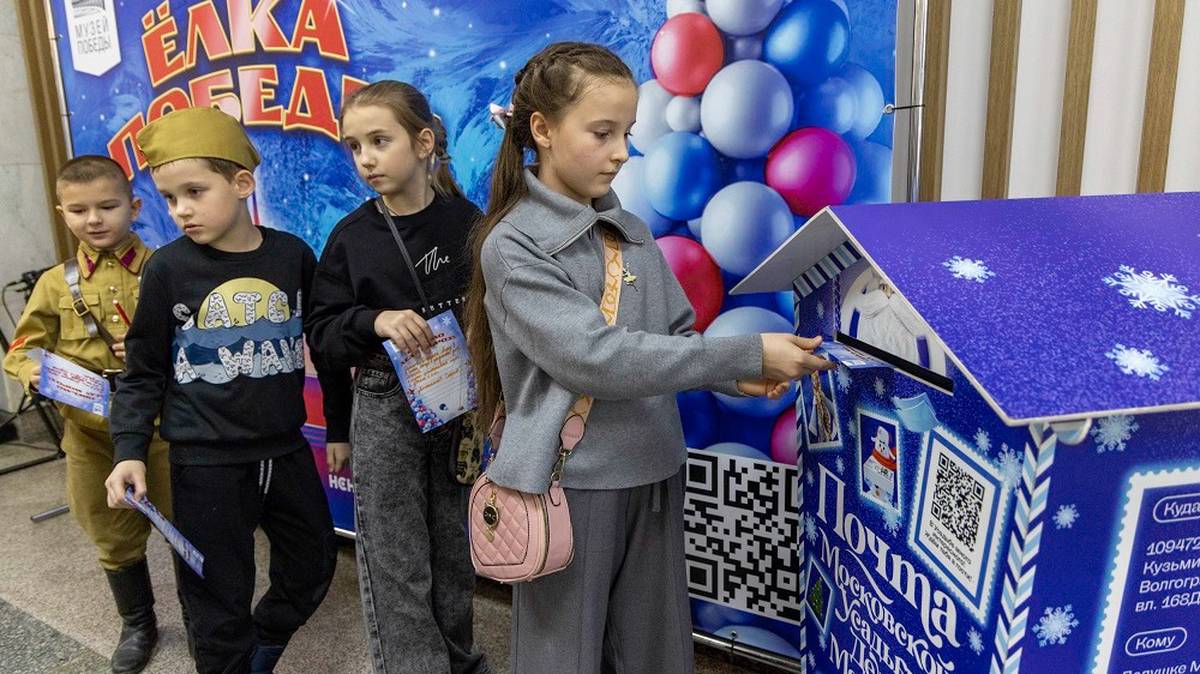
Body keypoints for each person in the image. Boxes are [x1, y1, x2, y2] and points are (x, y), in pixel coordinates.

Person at [464, 41, 834, 673]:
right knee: (561, 659)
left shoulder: (631, 229)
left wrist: (739, 378)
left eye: (627, 133)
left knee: (654, 655)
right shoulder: (514, 245)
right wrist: (744, 353)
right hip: (572, 484)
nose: (620, 152)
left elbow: (675, 336)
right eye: (601, 132)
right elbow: (595, 359)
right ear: (542, 130)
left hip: (656, 470)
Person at [102, 107, 337, 674]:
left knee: (313, 563)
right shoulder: (167, 269)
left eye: (195, 192)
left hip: (284, 451)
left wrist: (342, 428)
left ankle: (263, 645)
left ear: (242, 184)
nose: (181, 210)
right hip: (204, 462)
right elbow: (142, 371)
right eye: (169, 198)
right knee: (215, 595)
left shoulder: (292, 256)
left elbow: (326, 344)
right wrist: (129, 450)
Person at [308, 80, 489, 674]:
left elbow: (493, 312)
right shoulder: (351, 237)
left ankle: (459, 661)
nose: (366, 158)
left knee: (452, 548)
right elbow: (322, 333)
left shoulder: (468, 221)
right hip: (385, 398)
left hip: (457, 401)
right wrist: (374, 320)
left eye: (379, 141)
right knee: (396, 554)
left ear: (424, 142)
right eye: (354, 146)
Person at [4, 155, 171, 674]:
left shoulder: (167, 268)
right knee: (109, 529)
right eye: (78, 211)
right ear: (62, 213)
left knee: (188, 522)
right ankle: (138, 624)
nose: (94, 219)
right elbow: (23, 347)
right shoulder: (56, 284)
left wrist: (154, 350)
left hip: (165, 428)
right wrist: (36, 373)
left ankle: (203, 617)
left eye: (107, 206)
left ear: (134, 206)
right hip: (90, 432)